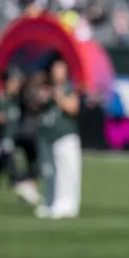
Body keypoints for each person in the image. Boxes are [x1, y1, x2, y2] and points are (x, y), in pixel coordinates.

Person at [0, 71, 42, 205]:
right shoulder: (1, 98)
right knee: (7, 153)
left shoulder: (20, 100)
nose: (15, 86)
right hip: (4, 135)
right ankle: (16, 181)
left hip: (18, 134)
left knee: (32, 153)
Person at [35, 60, 82, 219]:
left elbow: (73, 108)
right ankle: (53, 201)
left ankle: (69, 205)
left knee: (69, 172)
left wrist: (59, 98)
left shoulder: (69, 88)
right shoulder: (48, 88)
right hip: (51, 137)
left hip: (67, 136)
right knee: (54, 172)